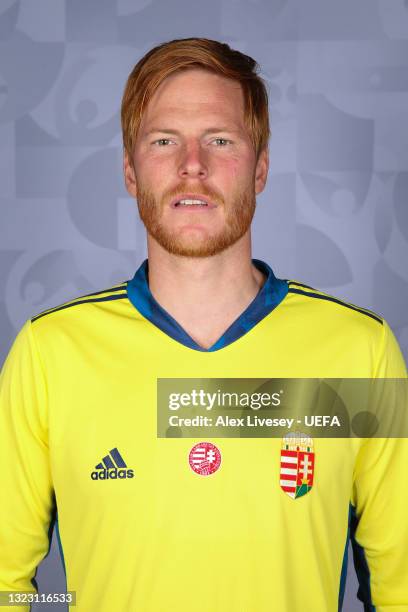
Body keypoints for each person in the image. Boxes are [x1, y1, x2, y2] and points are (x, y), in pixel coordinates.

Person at [0, 37, 407, 612]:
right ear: (131, 172)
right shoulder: (50, 355)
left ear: (261, 168)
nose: (194, 165)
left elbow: (400, 589)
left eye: (221, 140)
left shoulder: (359, 351)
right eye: (164, 141)